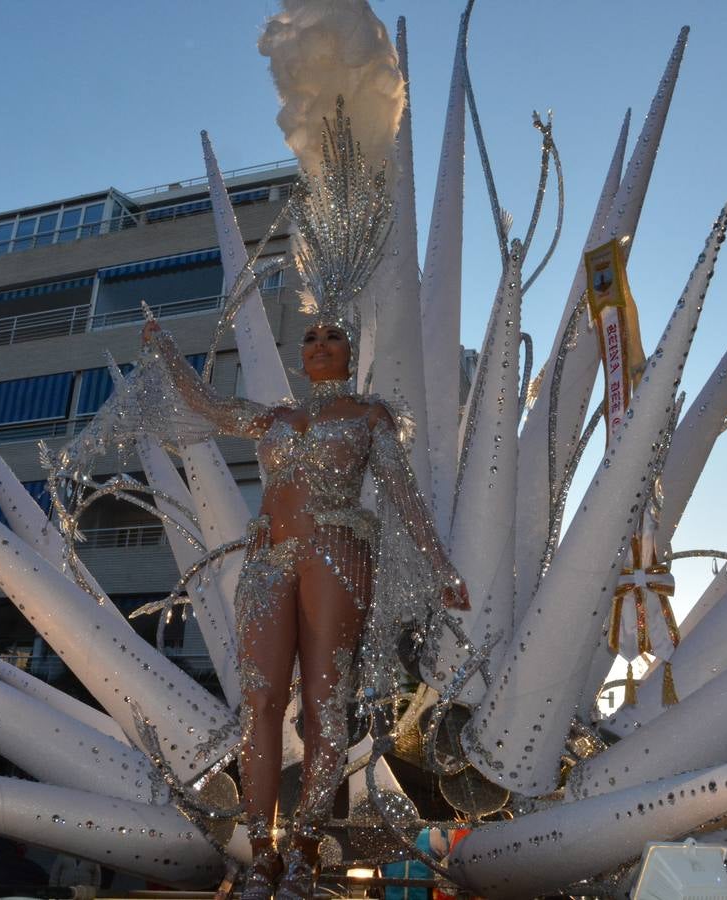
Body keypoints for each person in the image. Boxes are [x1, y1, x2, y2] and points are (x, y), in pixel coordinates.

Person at [102, 108, 467, 900]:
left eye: (332, 336)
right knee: (262, 701)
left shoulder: (368, 418)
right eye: (309, 339)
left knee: (324, 706)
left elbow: (403, 500)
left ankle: (305, 847)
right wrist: (165, 352)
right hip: (270, 560)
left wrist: (441, 570)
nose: (319, 347)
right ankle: (262, 852)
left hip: (338, 554)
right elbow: (203, 406)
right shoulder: (273, 420)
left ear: (349, 347)